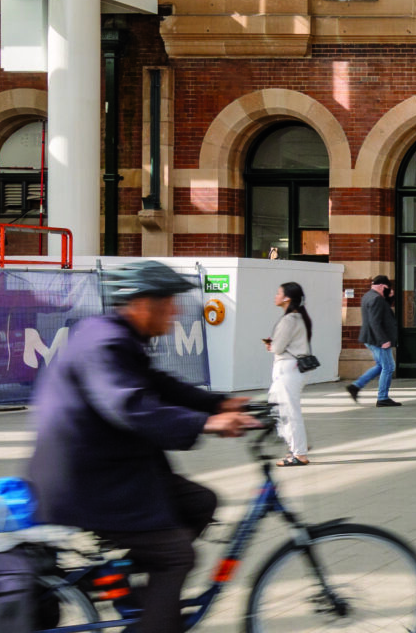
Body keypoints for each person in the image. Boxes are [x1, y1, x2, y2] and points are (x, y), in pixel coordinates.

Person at [30, 261, 260, 633]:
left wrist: (219, 404)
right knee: (176, 556)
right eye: (168, 302)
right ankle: (153, 617)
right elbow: (130, 405)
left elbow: (159, 384)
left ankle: (133, 591)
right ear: (142, 304)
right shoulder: (106, 343)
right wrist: (207, 423)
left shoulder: (116, 335)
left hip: (107, 471)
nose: (176, 311)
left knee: (200, 502)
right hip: (85, 483)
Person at [263, 282, 313, 467]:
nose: (275, 296)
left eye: (279, 293)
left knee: (288, 411)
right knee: (277, 408)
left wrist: (271, 345)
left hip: (288, 368)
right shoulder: (299, 317)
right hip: (293, 368)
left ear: (287, 298)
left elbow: (278, 347)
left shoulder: (289, 319)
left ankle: (299, 453)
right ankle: (296, 443)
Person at [344, 274, 401, 406]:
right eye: (387, 288)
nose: (388, 290)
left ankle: (356, 386)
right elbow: (375, 322)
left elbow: (382, 312)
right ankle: (382, 398)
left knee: (381, 366)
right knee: (389, 367)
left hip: (371, 338)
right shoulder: (376, 299)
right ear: (381, 286)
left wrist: (390, 297)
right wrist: (383, 340)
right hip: (377, 339)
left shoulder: (368, 296)